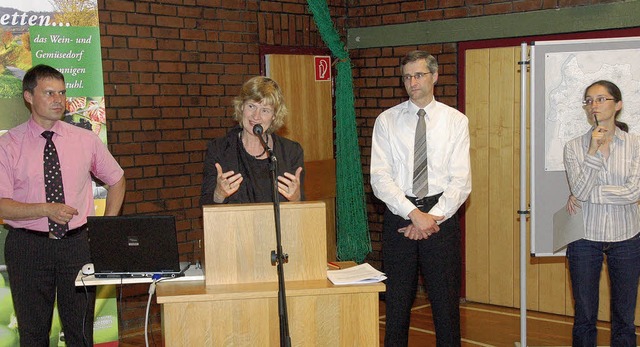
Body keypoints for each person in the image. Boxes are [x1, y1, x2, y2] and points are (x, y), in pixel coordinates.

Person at [0, 64, 126, 346]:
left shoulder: (84, 140)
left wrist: (105, 226)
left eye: (62, 92)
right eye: (49, 93)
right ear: (29, 96)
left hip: (77, 246)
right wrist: (45, 209)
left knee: (81, 332)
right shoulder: (8, 145)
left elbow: (117, 180)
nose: (59, 100)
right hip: (28, 247)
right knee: (33, 334)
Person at [370, 50, 471, 346]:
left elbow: (461, 180)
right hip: (400, 215)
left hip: (442, 217)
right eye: (407, 77)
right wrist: (414, 214)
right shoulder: (386, 121)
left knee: (445, 304)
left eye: (419, 75)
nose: (412, 82)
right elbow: (380, 177)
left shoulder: (456, 121)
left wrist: (431, 217)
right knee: (397, 303)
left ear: (435, 76)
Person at [563, 80, 640, 346]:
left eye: (601, 99)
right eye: (589, 100)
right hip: (585, 236)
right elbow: (581, 190)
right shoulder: (574, 147)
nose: (593, 105)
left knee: (624, 316)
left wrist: (586, 193)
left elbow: (633, 193)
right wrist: (593, 152)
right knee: (584, 315)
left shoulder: (635, 144)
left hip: (627, 237)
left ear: (617, 105)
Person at [200, 76, 304, 205]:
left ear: (274, 116)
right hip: (233, 224)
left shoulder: (291, 152)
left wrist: (295, 198)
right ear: (242, 106)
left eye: (265, 110)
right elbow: (206, 205)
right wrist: (218, 194)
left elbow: (300, 206)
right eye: (251, 106)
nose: (256, 116)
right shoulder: (218, 149)